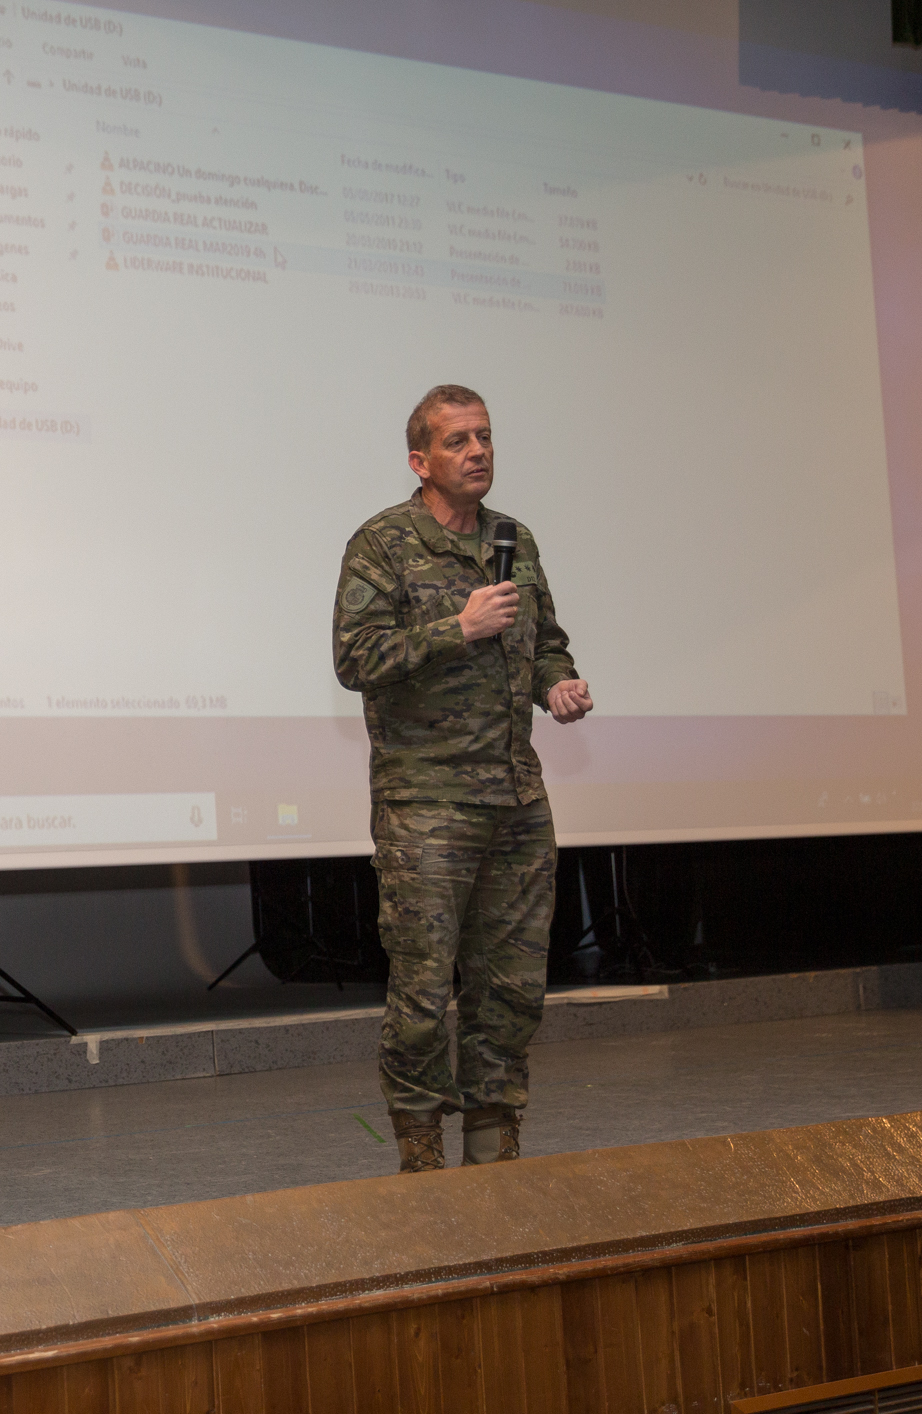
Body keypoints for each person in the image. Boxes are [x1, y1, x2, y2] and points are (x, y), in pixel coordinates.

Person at [332, 384, 593, 1174]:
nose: (477, 451)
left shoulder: (515, 539)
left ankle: (493, 1140)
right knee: (420, 993)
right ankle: (419, 1151)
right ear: (420, 460)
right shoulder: (381, 543)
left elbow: (545, 637)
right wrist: (458, 627)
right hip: (427, 804)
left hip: (515, 795)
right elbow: (356, 660)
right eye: (457, 441)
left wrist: (558, 681)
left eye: (483, 437)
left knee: (510, 987)